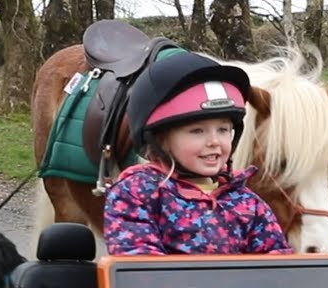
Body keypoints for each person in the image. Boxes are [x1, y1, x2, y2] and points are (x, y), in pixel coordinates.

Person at [103, 53, 292, 256]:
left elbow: (277, 262)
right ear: (160, 140)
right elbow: (138, 261)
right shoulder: (138, 194)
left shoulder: (247, 202)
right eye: (197, 131)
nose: (214, 141)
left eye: (223, 130)